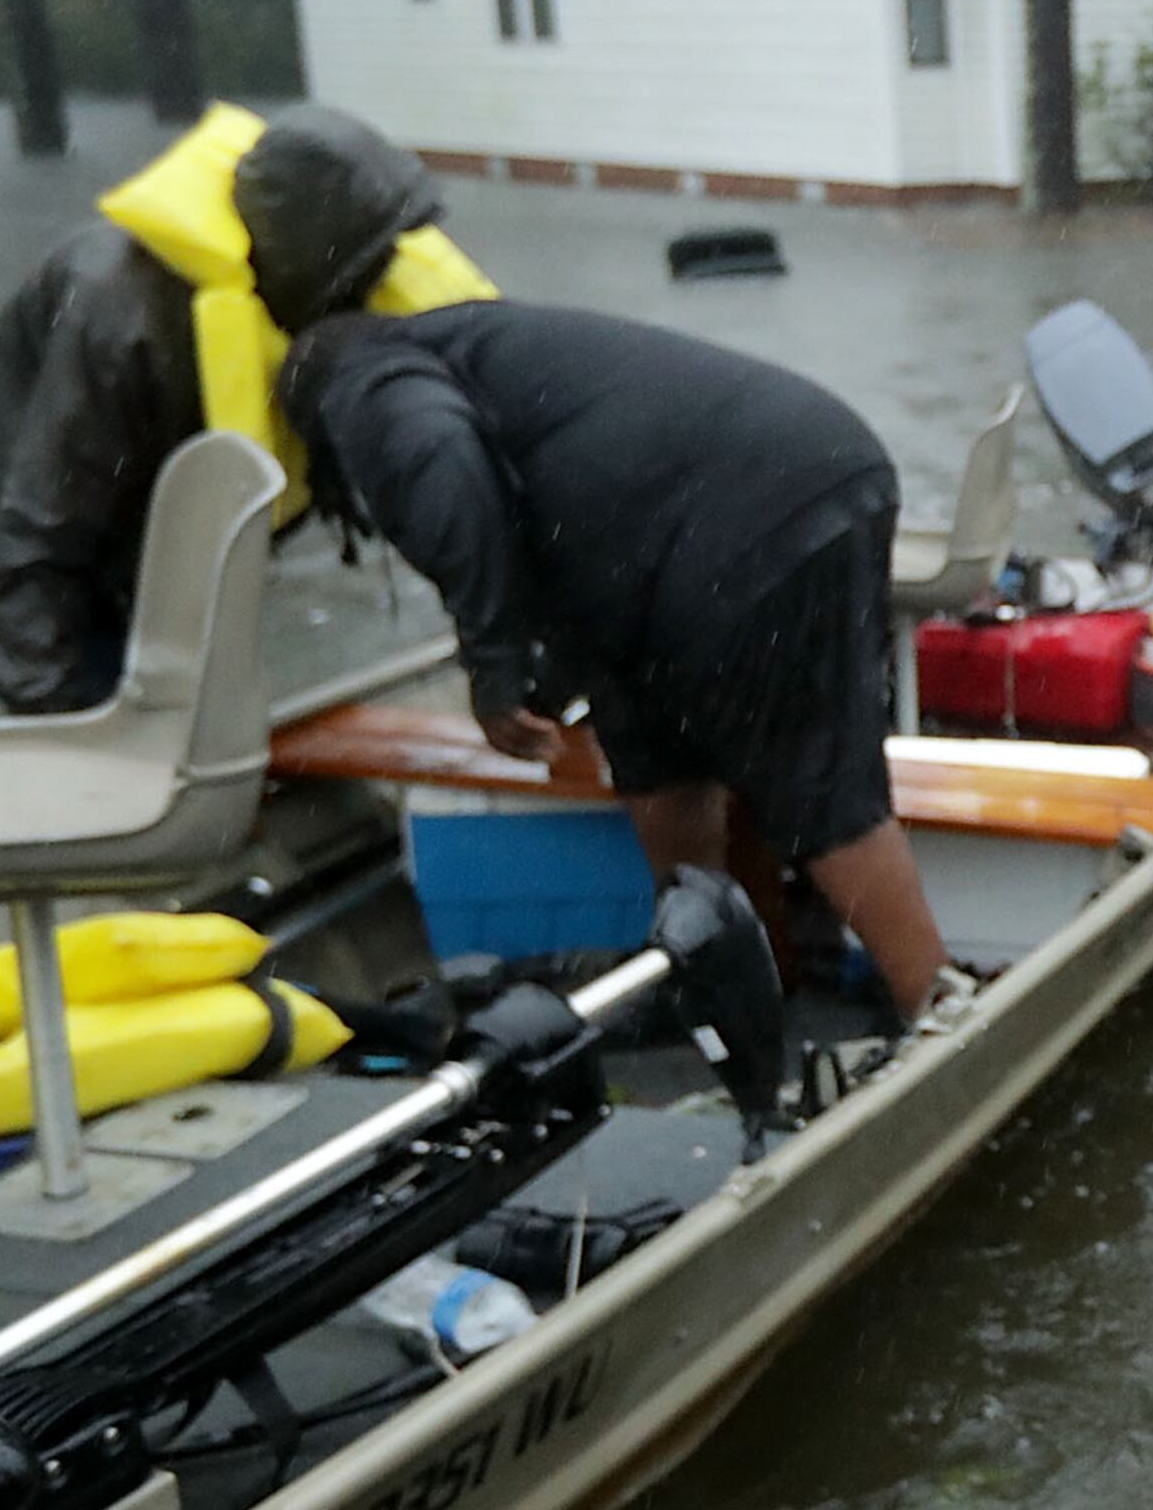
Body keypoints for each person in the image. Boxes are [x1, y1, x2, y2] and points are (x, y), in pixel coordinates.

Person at [274, 302, 955, 1031]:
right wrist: (546, 679)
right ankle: (731, 981)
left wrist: (495, 668)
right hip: (700, 529)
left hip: (754, 506)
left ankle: (941, 1015)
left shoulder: (361, 384)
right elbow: (558, 495)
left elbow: (444, 460)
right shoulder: (455, 347)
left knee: (811, 775)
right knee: (656, 760)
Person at [0, 105, 440, 713]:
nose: (380, 279)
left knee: (193, 656)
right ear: (303, 251)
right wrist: (56, 719)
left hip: (169, 441)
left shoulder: (304, 291)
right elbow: (38, 528)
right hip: (53, 477)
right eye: (364, 263)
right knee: (89, 643)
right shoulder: (120, 319)